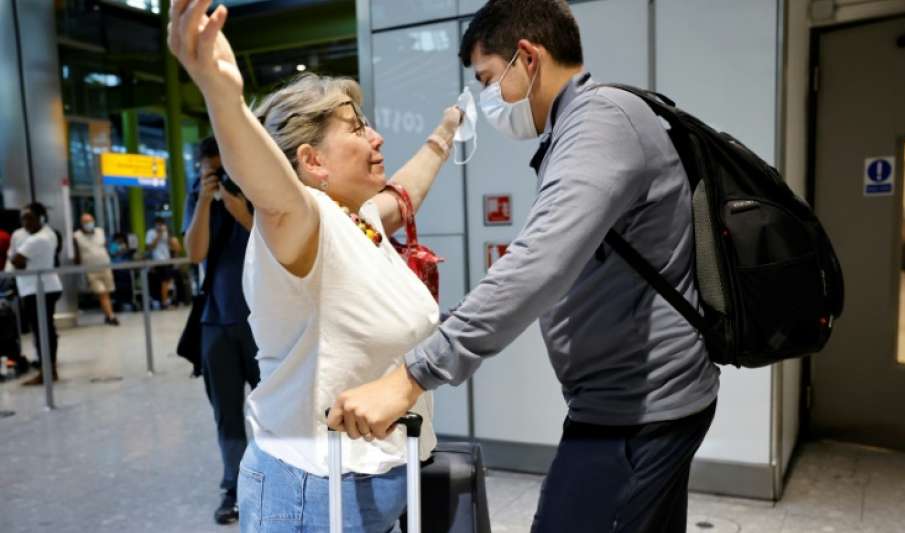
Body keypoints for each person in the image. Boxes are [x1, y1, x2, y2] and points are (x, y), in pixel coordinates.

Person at [330, 2, 721, 532]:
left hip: (637, 410)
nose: (492, 99)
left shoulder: (600, 122)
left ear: (528, 58)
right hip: (633, 400)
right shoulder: (583, 125)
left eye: (490, 79)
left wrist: (411, 376)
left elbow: (539, 263)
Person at [167, 2, 462, 531]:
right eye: (356, 129)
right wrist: (220, 93)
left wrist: (446, 134)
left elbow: (408, 190)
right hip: (315, 488)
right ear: (311, 161)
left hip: (379, 475)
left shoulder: (362, 219)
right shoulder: (301, 221)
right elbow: (267, 185)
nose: (376, 138)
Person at [183, 136, 260, 525]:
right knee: (226, 413)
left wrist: (240, 208)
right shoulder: (199, 198)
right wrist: (201, 201)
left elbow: (275, 243)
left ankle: (278, 477)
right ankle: (234, 486)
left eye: (224, 168)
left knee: (275, 407)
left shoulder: (257, 189)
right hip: (216, 320)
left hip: (263, 319)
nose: (219, 176)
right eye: (212, 170)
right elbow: (194, 253)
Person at [8, 203, 64, 386]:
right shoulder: (50, 233)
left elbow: (16, 261)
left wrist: (16, 255)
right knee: (46, 330)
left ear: (41, 218)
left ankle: (47, 372)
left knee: (42, 332)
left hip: (38, 289)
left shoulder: (36, 239)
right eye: (23, 218)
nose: (25, 222)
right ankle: (50, 370)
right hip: (44, 287)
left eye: (29, 218)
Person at [73, 213, 119, 326]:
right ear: (81, 224)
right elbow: (76, 255)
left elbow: (107, 246)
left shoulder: (100, 232)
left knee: (107, 292)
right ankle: (111, 315)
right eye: (86, 222)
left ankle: (108, 315)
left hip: (105, 267)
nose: (89, 224)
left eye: (90, 221)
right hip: (91, 270)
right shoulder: (76, 236)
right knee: (102, 292)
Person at [145, 217, 174, 308]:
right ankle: (164, 302)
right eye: (158, 224)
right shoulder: (151, 233)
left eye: (161, 224)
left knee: (167, 282)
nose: (160, 226)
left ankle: (165, 300)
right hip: (158, 261)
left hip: (167, 260)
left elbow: (171, 245)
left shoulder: (166, 232)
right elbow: (149, 247)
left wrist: (168, 234)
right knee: (164, 282)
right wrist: (158, 235)